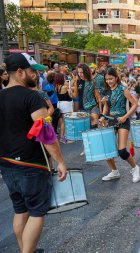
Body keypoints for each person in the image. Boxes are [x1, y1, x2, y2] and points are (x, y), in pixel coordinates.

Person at [0, 53, 67, 253]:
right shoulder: (31, 97)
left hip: (7, 164)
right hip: (31, 165)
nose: (36, 75)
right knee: (37, 212)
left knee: (21, 210)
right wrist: (61, 161)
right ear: (19, 72)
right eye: (32, 72)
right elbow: (46, 135)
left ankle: (25, 250)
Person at [99, 67, 140, 182]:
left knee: (121, 150)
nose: (108, 81)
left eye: (110, 79)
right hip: (110, 120)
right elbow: (107, 105)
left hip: (122, 120)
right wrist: (102, 116)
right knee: (107, 150)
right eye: (106, 79)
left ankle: (135, 168)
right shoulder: (106, 90)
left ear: (116, 78)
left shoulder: (123, 89)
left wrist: (125, 117)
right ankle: (114, 171)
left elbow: (135, 104)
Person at [77, 63, 101, 129]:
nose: (80, 74)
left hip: (92, 107)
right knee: (84, 130)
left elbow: (98, 97)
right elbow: (74, 95)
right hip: (82, 109)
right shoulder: (78, 81)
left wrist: (101, 113)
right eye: (78, 72)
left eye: (81, 72)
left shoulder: (92, 82)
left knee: (93, 128)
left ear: (86, 72)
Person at [55, 73, 76, 143]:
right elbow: (73, 89)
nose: (65, 78)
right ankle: (63, 138)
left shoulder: (57, 86)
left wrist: (72, 80)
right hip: (66, 105)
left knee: (63, 122)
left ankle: (63, 137)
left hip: (60, 104)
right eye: (63, 77)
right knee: (65, 122)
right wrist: (74, 80)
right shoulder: (64, 87)